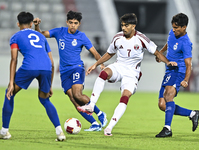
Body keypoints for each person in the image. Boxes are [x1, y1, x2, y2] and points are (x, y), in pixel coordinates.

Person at [77, 13, 177, 136]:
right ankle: (91, 105)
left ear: (133, 26)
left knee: (124, 97)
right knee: (103, 74)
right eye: (122, 25)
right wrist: (96, 64)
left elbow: (157, 53)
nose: (123, 28)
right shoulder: (118, 37)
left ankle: (109, 128)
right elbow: (109, 53)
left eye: (126, 25)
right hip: (119, 67)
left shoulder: (141, 38)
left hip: (132, 74)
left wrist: (167, 62)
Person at [34, 10, 107, 131]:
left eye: (76, 23)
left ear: (79, 24)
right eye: (71, 22)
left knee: (77, 95)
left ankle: (100, 114)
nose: (73, 25)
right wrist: (36, 25)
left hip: (76, 68)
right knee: (73, 99)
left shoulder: (81, 36)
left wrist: (101, 64)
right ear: (67, 22)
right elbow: (41, 34)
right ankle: (94, 123)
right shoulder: (59, 31)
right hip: (64, 72)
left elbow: (94, 52)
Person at [0, 12, 66, 141]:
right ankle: (60, 132)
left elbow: (14, 59)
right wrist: (50, 84)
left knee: (9, 94)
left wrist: (11, 82)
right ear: (31, 24)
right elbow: (52, 63)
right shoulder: (41, 37)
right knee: (45, 100)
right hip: (46, 68)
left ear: (18, 23)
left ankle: (4, 131)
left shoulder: (15, 37)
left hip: (29, 67)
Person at [155, 13, 199, 138]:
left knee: (168, 96)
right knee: (162, 105)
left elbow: (188, 64)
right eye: (173, 27)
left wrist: (186, 80)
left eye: (176, 28)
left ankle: (167, 129)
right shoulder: (172, 33)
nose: (174, 30)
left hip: (178, 72)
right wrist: (161, 53)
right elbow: (169, 43)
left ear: (184, 27)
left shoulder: (186, 43)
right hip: (169, 71)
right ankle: (192, 114)